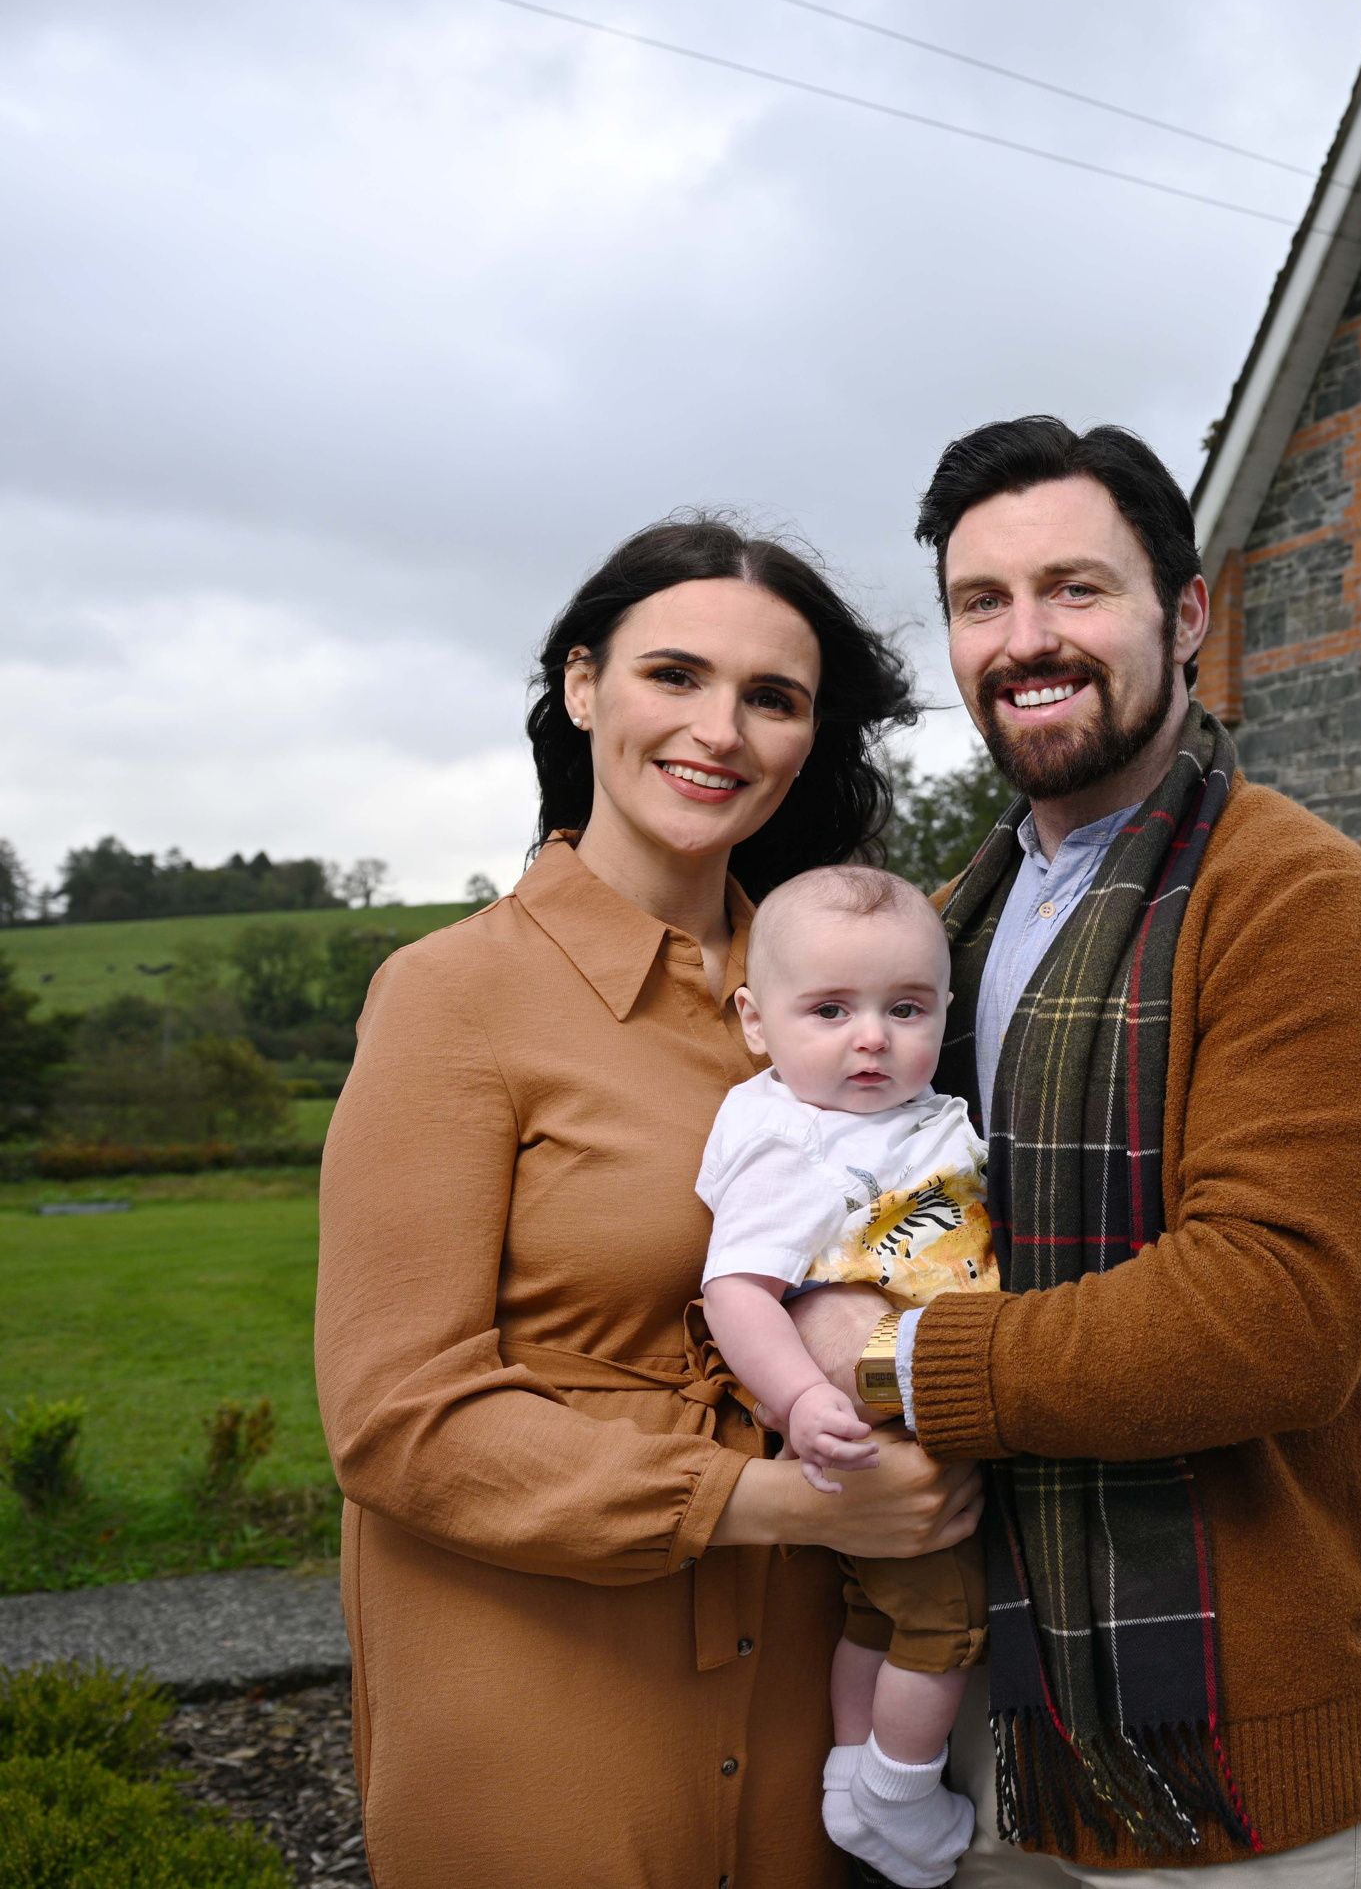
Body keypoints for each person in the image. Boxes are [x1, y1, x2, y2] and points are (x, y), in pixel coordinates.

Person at [789, 417, 1361, 1884]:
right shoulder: (946, 922)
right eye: (982, 601)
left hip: (1223, 1747)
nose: (1027, 639)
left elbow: (1270, 1319)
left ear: (1188, 613)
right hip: (987, 1712)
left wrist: (889, 1366)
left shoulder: (1302, 902)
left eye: (1076, 589)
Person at [316, 519, 982, 1888]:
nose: (719, 729)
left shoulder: (851, 992)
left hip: (808, 1680)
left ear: (808, 738)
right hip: (542, 1678)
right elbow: (398, 1418)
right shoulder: (454, 996)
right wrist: (782, 1503)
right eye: (673, 674)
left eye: (772, 697)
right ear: (581, 689)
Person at [698, 863, 997, 1887]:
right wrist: (801, 1396)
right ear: (755, 1019)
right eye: (829, 1009)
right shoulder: (793, 1140)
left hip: (928, 1400)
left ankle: (848, 1772)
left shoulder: (888, 1118)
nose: (871, 1036)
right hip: (878, 1435)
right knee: (944, 1620)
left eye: (904, 1008)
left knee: (875, 1614)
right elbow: (736, 1290)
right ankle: (898, 1796)